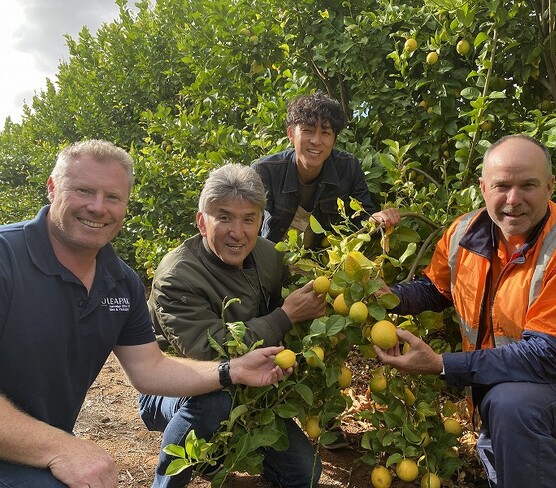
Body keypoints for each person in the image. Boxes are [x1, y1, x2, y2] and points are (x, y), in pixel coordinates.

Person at [0, 140, 295, 488]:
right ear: (52, 188)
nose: (98, 207)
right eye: (83, 190)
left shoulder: (119, 281)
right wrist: (62, 448)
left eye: (113, 197)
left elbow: (150, 369)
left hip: (28, 452)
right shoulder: (7, 258)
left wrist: (232, 370)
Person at [374, 134, 556, 487]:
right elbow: (437, 289)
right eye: (502, 185)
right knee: (515, 474)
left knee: (512, 407)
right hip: (507, 375)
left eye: (528, 185)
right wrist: (388, 297)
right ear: (483, 187)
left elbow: (551, 354)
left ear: (550, 187)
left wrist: (442, 365)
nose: (513, 200)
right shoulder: (462, 233)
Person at [139, 163, 326, 488]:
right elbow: (208, 352)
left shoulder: (269, 256)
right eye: (224, 217)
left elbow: (304, 300)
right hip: (173, 386)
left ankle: (217, 455)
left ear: (260, 222)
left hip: (248, 386)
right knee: (215, 401)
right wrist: (286, 316)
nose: (238, 232)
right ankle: (167, 481)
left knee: (304, 473)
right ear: (202, 222)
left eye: (248, 219)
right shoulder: (177, 276)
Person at [252, 91, 400, 246]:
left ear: (334, 139)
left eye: (325, 132)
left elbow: (361, 221)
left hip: (324, 266)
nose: (316, 141)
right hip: (271, 264)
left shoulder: (348, 168)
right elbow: (247, 228)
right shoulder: (264, 172)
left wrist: (377, 220)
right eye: (308, 130)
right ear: (291, 134)